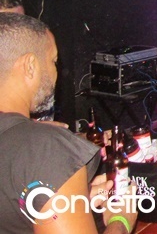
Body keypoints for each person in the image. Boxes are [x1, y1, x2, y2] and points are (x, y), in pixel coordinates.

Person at [0, 13, 137, 234]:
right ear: (30, 66)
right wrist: (121, 220)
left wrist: (71, 197)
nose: (56, 72)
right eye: (53, 61)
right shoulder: (46, 148)